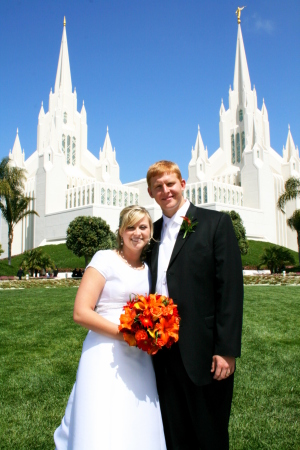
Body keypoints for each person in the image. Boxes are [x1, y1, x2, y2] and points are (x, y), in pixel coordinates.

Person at [146, 161, 243, 450]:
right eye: (158, 187)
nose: (166, 191)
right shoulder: (151, 233)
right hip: (162, 354)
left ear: (183, 183)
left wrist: (226, 350)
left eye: (170, 184)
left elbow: (230, 290)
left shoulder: (216, 224)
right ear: (151, 193)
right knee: (174, 433)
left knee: (208, 433)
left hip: (203, 352)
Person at [54, 205, 166, 450]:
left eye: (143, 227)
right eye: (131, 227)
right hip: (104, 351)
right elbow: (81, 312)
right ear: (121, 232)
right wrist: (126, 334)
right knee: (102, 415)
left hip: (139, 355)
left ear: (151, 232)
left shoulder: (148, 268)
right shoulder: (104, 258)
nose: (137, 232)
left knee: (136, 414)